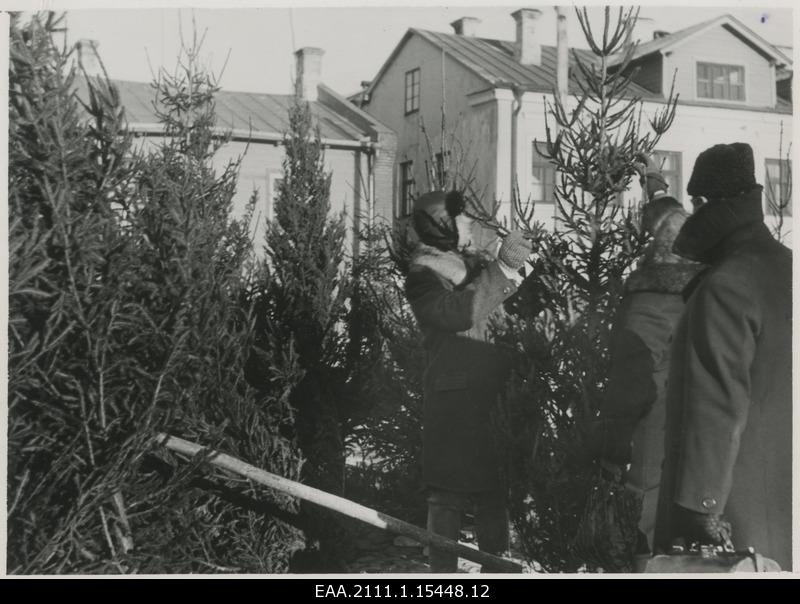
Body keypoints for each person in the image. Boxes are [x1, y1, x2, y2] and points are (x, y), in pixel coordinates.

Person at [653, 143, 792, 570]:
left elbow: (717, 407)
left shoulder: (728, 285)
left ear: (714, 204)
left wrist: (701, 507)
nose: (692, 213)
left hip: (735, 512)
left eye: (697, 201)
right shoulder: (786, 267)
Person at [404, 189, 532, 573]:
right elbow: (460, 313)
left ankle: (498, 571)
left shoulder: (471, 268)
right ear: (442, 226)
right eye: (462, 219)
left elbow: (496, 297)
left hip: (490, 396)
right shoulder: (423, 277)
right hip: (453, 405)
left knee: (493, 494)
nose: (471, 225)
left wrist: (525, 263)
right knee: (447, 498)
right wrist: (504, 269)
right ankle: (443, 577)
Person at [593, 157, 704, 555]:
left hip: (652, 442)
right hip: (703, 443)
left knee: (643, 533)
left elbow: (632, 383)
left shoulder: (648, 300)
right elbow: (670, 218)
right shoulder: (707, 291)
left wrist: (610, 448)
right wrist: (656, 187)